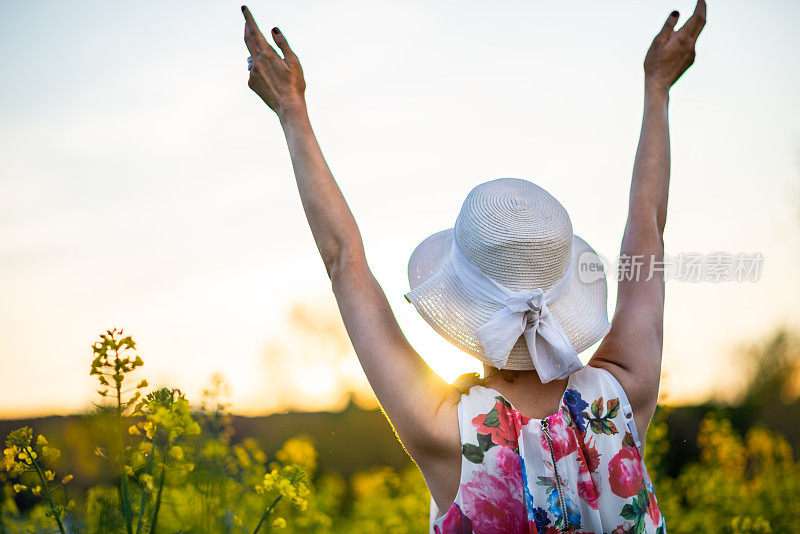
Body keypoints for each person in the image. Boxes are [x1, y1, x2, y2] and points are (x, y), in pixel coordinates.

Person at [241, 2, 706, 531]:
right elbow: (648, 227)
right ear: (562, 291)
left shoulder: (448, 432)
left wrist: (291, 109)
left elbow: (343, 259)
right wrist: (658, 87)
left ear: (461, 302)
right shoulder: (625, 391)